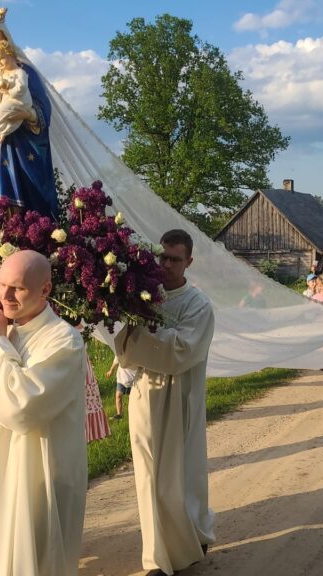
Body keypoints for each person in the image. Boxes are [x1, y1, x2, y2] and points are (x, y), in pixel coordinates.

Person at [0, 250, 88, 576]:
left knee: (43, 557)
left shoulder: (64, 341)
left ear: (45, 290)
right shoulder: (4, 334)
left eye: (18, 288)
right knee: (7, 555)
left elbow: (22, 407)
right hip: (4, 464)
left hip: (44, 470)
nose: (5, 296)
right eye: (1, 285)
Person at [115, 229, 215, 575]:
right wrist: (139, 332)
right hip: (146, 397)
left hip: (181, 399)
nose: (168, 264)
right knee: (147, 476)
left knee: (181, 473)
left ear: (189, 261)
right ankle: (158, 553)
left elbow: (181, 351)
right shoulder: (144, 297)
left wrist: (143, 335)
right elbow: (125, 349)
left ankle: (192, 537)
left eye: (175, 259)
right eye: (163, 257)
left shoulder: (198, 305)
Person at [0, 6, 58, 217]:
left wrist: (27, 115)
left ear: (4, 36)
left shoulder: (24, 71)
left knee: (31, 205)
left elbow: (44, 110)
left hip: (25, 146)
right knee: (1, 201)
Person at [0, 40, 35, 142]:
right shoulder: (3, 74)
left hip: (20, 101)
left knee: (0, 111)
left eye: (2, 58)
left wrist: (9, 92)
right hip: (10, 101)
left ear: (11, 55)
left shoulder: (20, 72)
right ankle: (3, 132)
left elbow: (21, 88)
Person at [105, 355, 137, 420]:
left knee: (132, 399)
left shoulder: (136, 351)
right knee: (118, 395)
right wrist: (111, 370)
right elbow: (116, 360)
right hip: (122, 378)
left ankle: (133, 414)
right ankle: (119, 414)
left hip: (133, 379)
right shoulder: (120, 351)